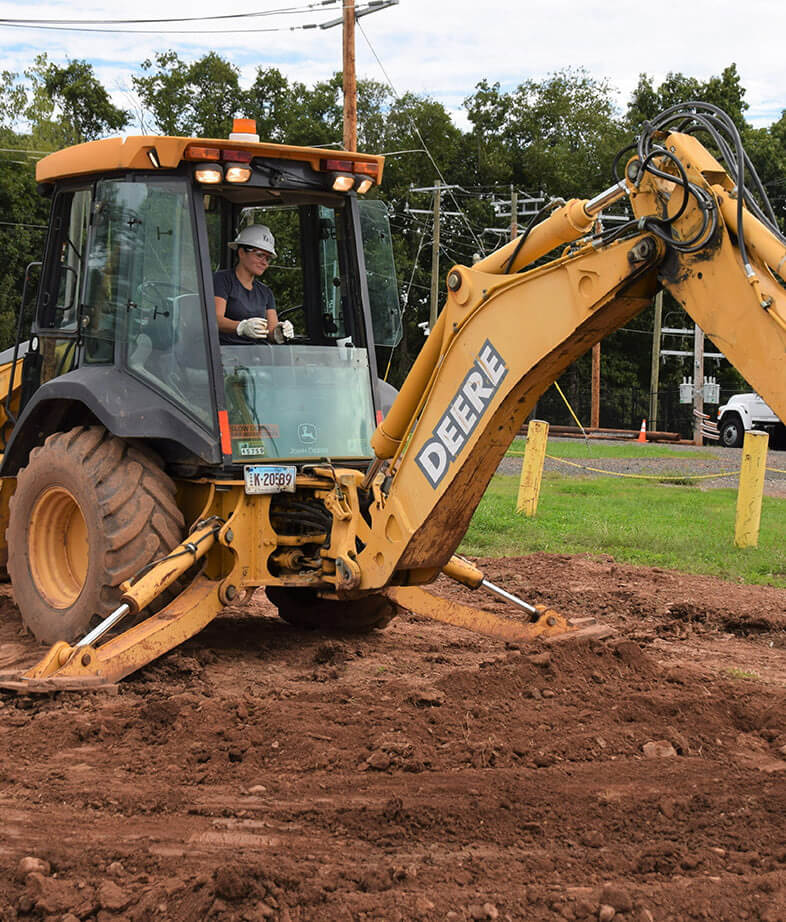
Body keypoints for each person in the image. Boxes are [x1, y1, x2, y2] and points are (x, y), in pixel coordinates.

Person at [214, 225, 294, 345]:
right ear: (241, 252)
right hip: (224, 356)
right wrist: (241, 327)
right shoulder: (221, 280)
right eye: (260, 255)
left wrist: (280, 331)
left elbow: (271, 331)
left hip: (256, 357)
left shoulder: (266, 293)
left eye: (268, 258)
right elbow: (215, 319)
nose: (264, 263)